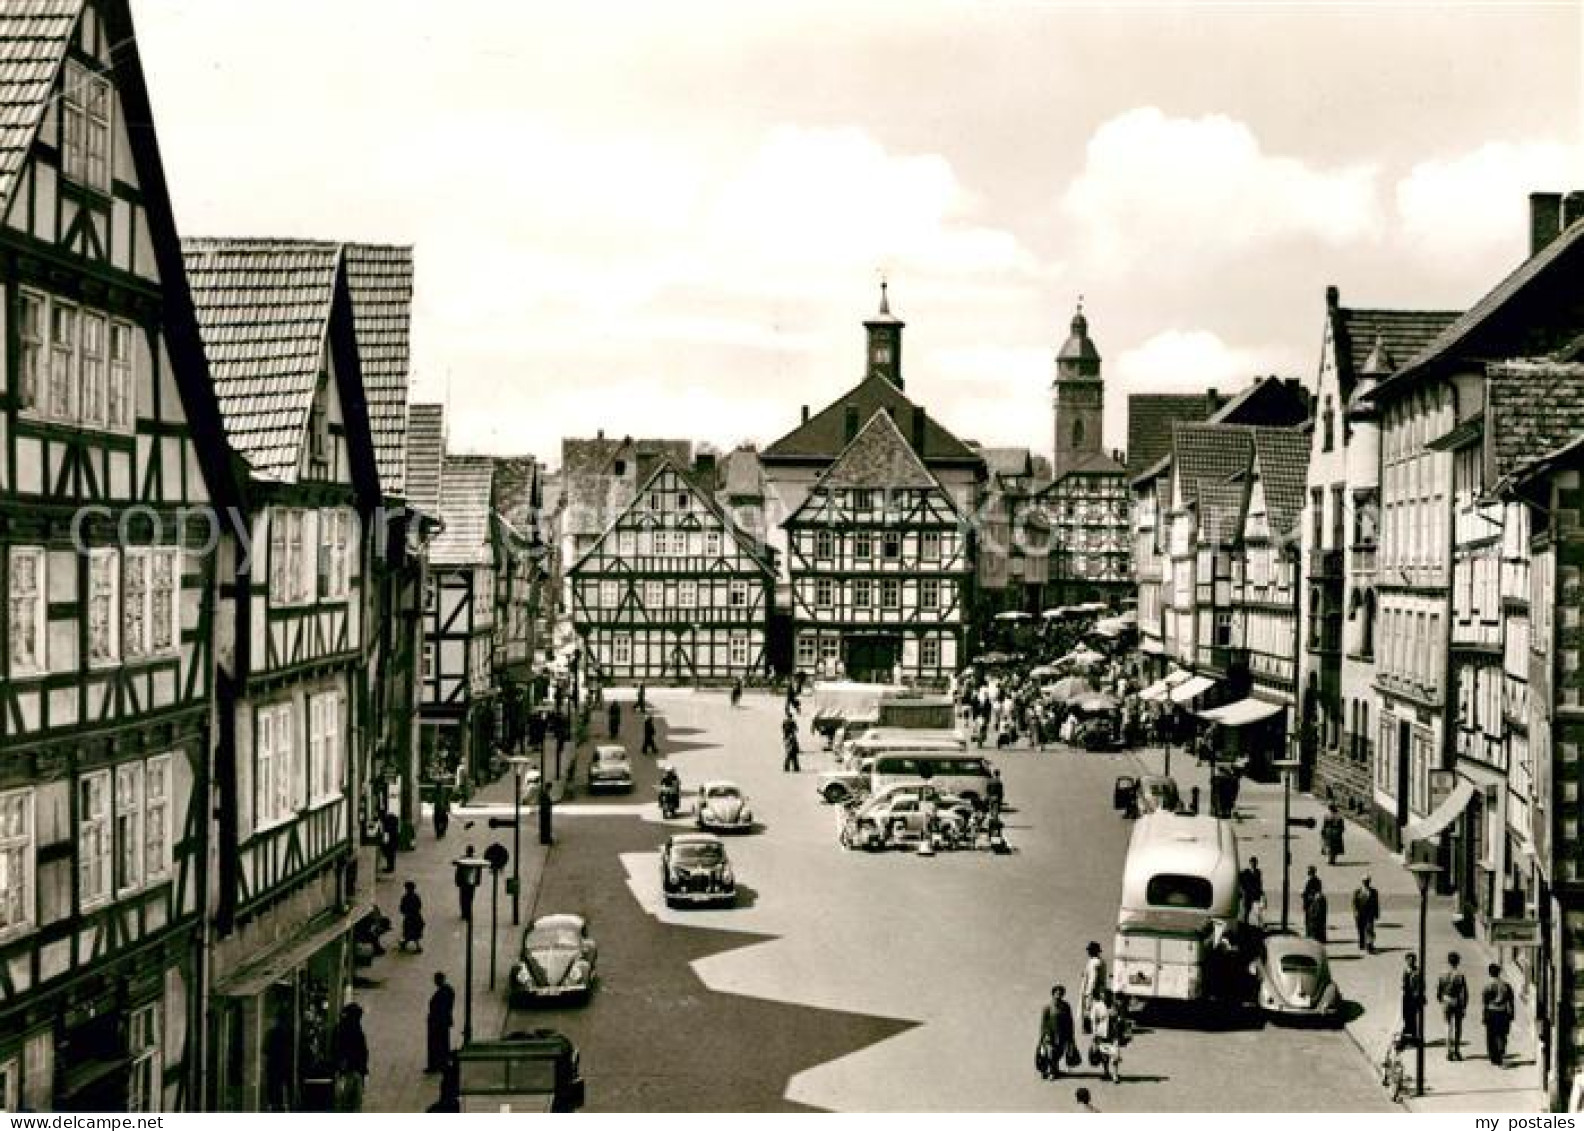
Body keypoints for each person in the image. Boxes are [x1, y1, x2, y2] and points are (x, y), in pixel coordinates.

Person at [332, 1003, 369, 1112]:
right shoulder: (356, 1031)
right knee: (353, 1104)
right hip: (352, 1072)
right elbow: (363, 1052)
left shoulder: (340, 1029)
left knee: (343, 1104)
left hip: (345, 1072)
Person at [1088, 988, 1127, 1083]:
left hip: (1114, 1034)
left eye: (1107, 995)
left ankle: (1115, 1074)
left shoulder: (1116, 1005)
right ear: (1101, 996)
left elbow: (1122, 1017)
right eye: (1103, 995)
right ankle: (1106, 1071)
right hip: (1102, 1033)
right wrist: (1094, 1035)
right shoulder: (1097, 1006)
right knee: (1104, 1055)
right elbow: (1094, 1021)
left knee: (1115, 1054)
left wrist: (1120, 1021)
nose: (1105, 997)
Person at [1038, 985, 1077, 1080]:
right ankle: (1051, 1072)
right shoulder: (1047, 1007)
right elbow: (1043, 1023)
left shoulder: (1066, 1006)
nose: (1059, 995)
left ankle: (1055, 1070)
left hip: (1062, 1034)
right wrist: (1043, 1035)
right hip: (1050, 1034)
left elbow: (1070, 1021)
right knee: (1050, 1052)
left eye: (1060, 994)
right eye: (1057, 993)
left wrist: (1071, 1035)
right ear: (1053, 994)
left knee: (1059, 1053)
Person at [1482, 963, 1516, 1067]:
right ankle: (1501, 1054)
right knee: (1502, 1035)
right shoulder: (1506, 986)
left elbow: (1485, 1002)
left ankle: (1494, 1057)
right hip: (1503, 1012)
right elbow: (1511, 1001)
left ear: (1490, 973)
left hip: (1491, 1012)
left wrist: (1484, 1015)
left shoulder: (1488, 986)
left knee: (1491, 1035)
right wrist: (1511, 1014)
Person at [1438, 951, 1469, 1061]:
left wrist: (1441, 999)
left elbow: (1439, 989)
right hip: (1457, 1002)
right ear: (1458, 962)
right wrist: (1464, 1005)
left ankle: (1448, 1051)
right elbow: (1464, 992)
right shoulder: (1460, 975)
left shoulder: (1442, 973)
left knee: (1447, 1026)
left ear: (1448, 961)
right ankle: (1456, 1050)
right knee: (1458, 1027)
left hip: (1446, 1001)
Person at [426, 973, 456, 1074]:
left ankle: (437, 1064)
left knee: (437, 1043)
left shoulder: (443, 992)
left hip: (438, 1022)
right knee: (442, 1042)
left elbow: (441, 1008)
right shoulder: (448, 990)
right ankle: (441, 1062)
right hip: (442, 1021)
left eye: (436, 979)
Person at [1079, 941, 1107, 1027]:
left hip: (1093, 991)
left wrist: (1089, 992)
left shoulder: (1095, 962)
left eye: (1090, 950)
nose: (1088, 952)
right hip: (1098, 990)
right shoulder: (1099, 961)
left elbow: (1093, 979)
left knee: (1091, 1011)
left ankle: (1093, 1030)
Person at [1401, 953, 1426, 1048]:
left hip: (1414, 998)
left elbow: (1422, 985)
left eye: (1412, 960)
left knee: (1413, 1019)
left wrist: (1419, 994)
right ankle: (1409, 1039)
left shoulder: (1418, 972)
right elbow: (1403, 984)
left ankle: (1412, 1039)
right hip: (1406, 997)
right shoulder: (1405, 971)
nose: (1410, 962)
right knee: (1406, 1018)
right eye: (1408, 960)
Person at [1353, 876, 1380, 953]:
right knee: (1360, 929)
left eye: (1367, 881)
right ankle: (1362, 943)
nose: (1366, 883)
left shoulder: (1374, 891)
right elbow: (1354, 903)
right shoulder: (1358, 891)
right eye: (1365, 881)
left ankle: (1369, 945)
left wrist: (1376, 913)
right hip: (1360, 914)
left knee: (1369, 929)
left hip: (1369, 914)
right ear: (1362, 882)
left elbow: (1376, 903)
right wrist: (1356, 912)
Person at [454, 845, 479, 921]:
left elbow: (458, 871)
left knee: (463, 898)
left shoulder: (462, 859)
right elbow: (478, 871)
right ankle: (467, 913)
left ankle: (465, 913)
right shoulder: (475, 860)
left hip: (464, 882)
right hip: (471, 882)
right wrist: (477, 881)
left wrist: (457, 881)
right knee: (469, 898)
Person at [399, 881, 425, 953]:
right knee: (414, 932)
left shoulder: (405, 897)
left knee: (410, 932)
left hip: (410, 917)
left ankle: (405, 944)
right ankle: (414, 945)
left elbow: (401, 908)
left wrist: (406, 913)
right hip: (414, 917)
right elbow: (419, 905)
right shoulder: (415, 896)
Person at [1239, 857, 1265, 925]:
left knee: (1258, 910)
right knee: (1247, 910)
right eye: (1252, 863)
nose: (1254, 864)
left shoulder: (1258, 872)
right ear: (1250, 863)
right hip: (1248, 894)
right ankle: (1245, 923)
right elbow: (1240, 880)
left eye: (1255, 863)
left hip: (1255, 894)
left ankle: (1260, 924)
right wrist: (1243, 889)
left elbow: (1259, 882)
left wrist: (1261, 892)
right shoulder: (1245, 872)